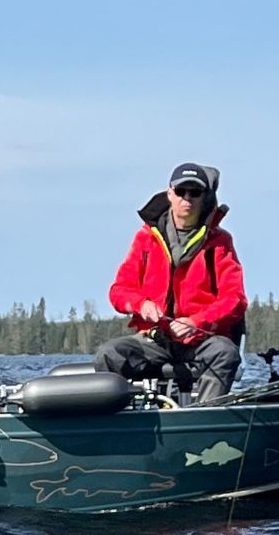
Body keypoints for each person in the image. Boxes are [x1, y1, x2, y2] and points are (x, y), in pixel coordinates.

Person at [94, 162, 247, 404]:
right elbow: (119, 291)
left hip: (201, 340)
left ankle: (203, 420)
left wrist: (196, 322)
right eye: (181, 192)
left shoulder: (220, 242)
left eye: (195, 193)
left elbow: (235, 299)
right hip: (154, 338)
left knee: (225, 353)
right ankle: (121, 424)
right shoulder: (145, 238)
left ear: (204, 197)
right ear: (169, 194)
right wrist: (141, 304)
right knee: (110, 354)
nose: (187, 199)